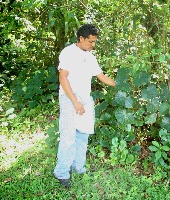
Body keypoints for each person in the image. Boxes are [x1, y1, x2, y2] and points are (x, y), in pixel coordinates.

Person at [53, 24, 115, 188]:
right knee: (68, 137)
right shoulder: (68, 53)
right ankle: (61, 173)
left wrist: (120, 85)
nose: (93, 45)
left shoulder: (90, 56)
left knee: (82, 135)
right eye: (90, 42)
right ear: (81, 38)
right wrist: (75, 102)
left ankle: (78, 167)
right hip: (69, 98)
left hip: (85, 99)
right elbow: (63, 78)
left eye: (95, 42)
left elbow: (101, 77)